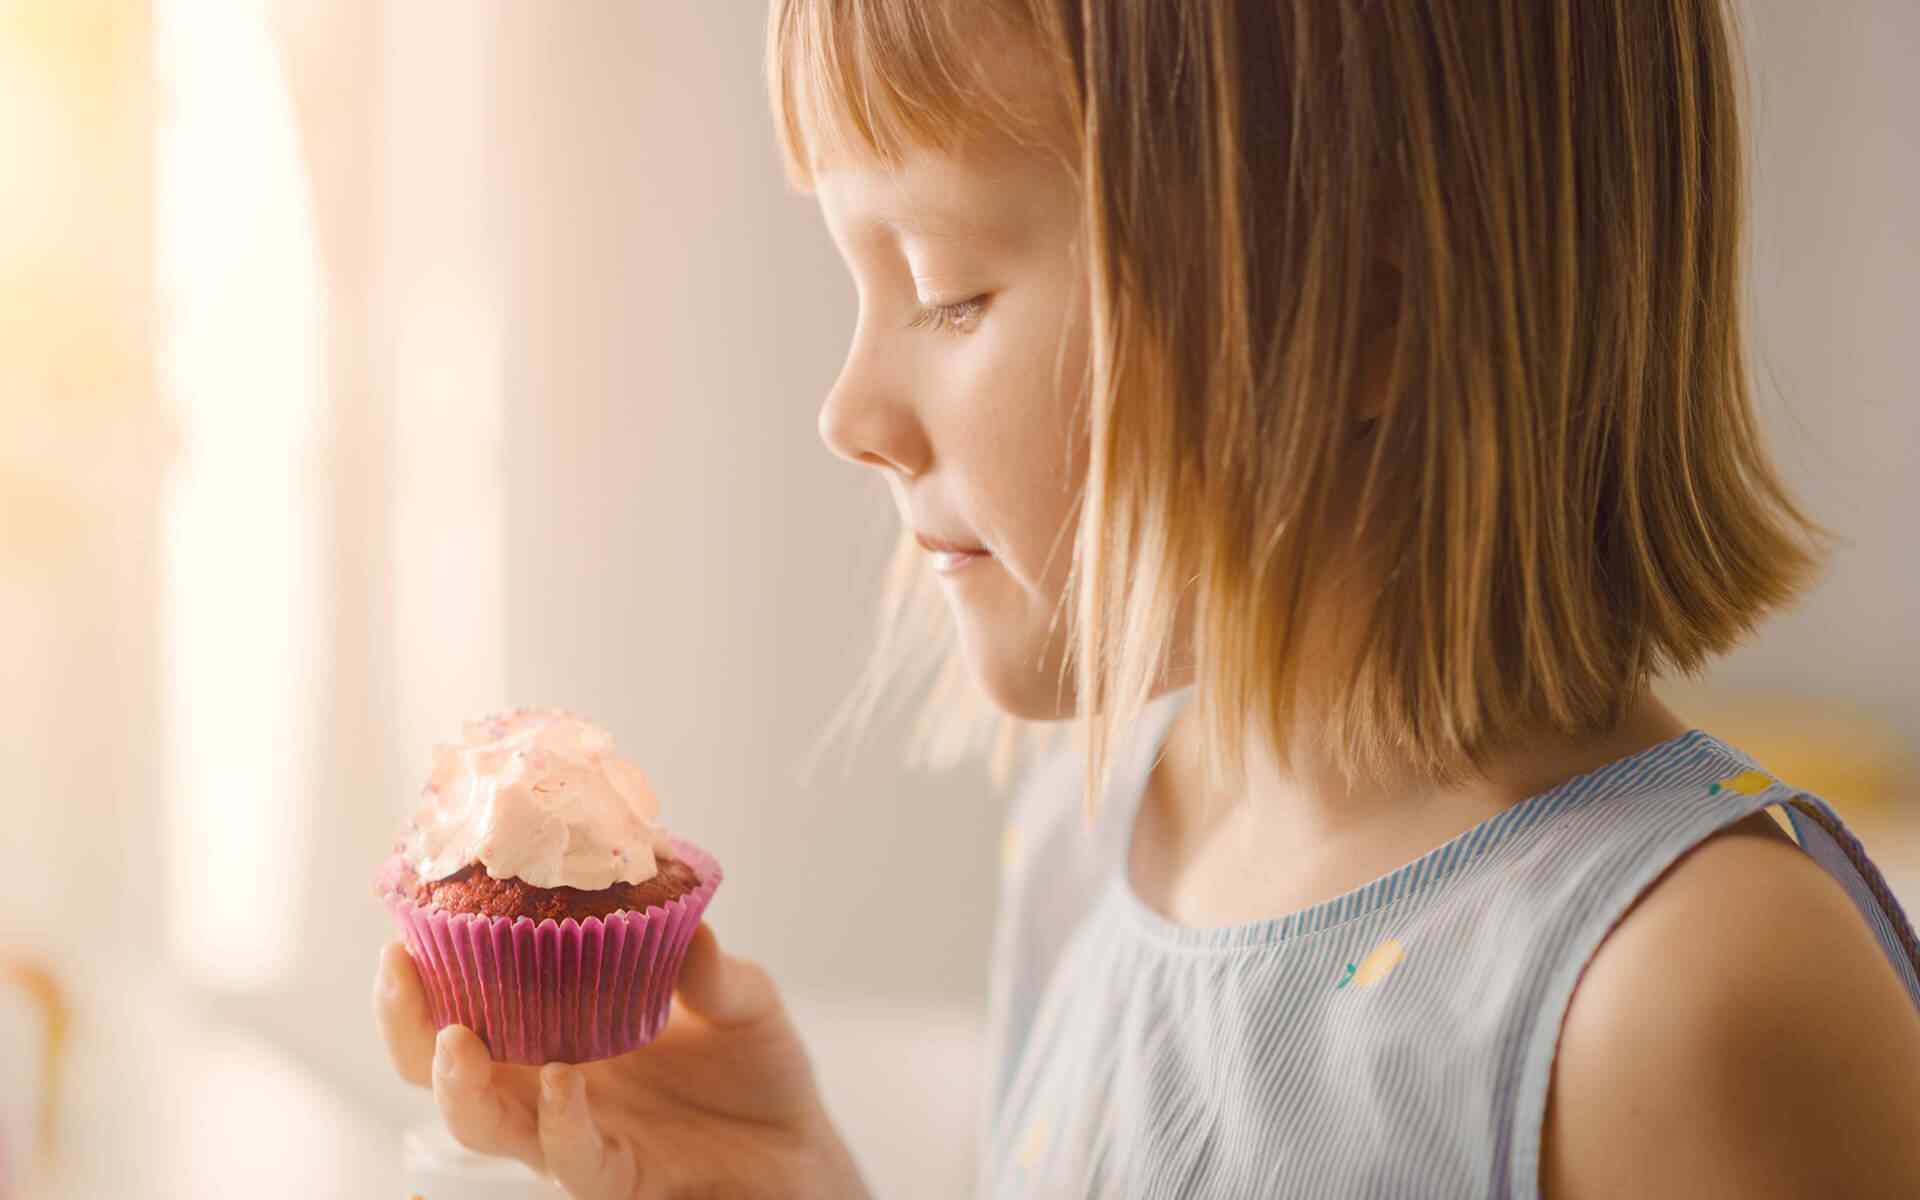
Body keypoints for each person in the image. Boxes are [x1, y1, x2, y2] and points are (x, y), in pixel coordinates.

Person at [374, 2, 1920, 1196]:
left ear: (1371, 302)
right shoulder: (1095, 821)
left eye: (949, 286)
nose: (848, 405)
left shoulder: (1695, 999)